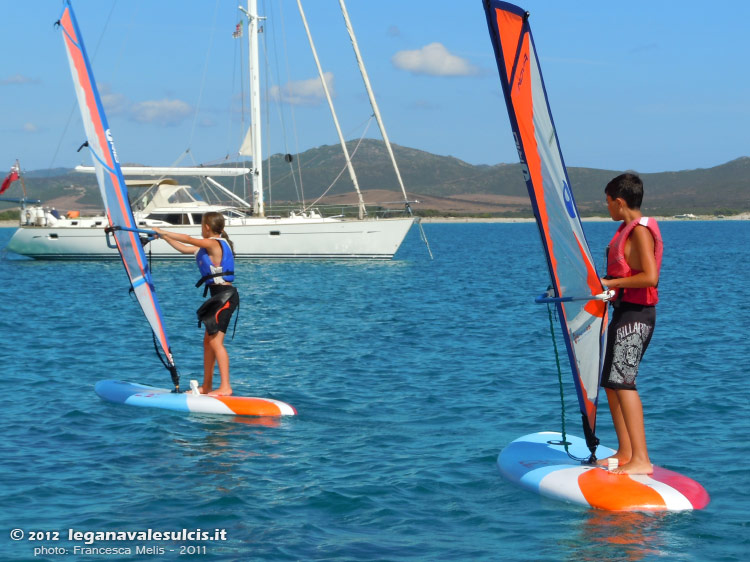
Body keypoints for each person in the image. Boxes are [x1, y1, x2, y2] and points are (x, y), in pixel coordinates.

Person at [598, 173, 663, 475]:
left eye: (609, 201)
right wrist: (608, 290)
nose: (607, 207)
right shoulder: (627, 229)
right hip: (625, 311)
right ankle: (625, 451)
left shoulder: (640, 232)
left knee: (624, 382)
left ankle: (642, 459)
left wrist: (612, 282)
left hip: (637, 316)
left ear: (620, 202)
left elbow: (650, 277)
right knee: (611, 384)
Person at [154, 212, 239, 396]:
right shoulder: (206, 248)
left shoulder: (214, 243)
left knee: (216, 343)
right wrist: (163, 236)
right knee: (208, 342)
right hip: (216, 297)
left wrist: (162, 230)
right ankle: (207, 386)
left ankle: (226, 387)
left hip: (225, 297)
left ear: (207, 227)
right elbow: (183, 247)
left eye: (202, 225)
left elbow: (187, 238)